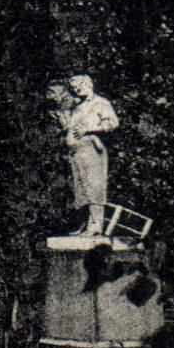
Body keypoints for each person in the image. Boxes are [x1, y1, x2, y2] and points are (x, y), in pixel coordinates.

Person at [61, 74, 119, 234]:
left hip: (92, 150)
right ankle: (85, 224)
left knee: (94, 186)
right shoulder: (76, 107)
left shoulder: (100, 103)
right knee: (80, 189)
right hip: (76, 152)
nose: (76, 90)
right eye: (74, 88)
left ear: (88, 84)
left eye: (79, 86)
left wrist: (92, 129)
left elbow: (113, 123)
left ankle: (95, 226)